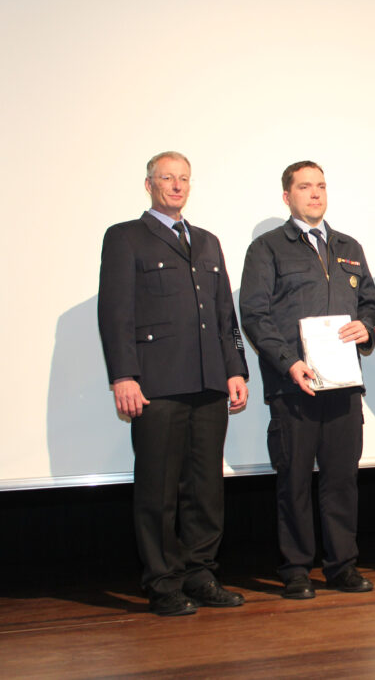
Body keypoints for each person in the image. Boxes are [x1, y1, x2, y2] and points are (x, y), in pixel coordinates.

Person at [98, 151, 249, 616]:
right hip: (158, 384)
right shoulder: (126, 237)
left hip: (209, 383)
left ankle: (200, 574)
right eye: (167, 178)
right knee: (158, 490)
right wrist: (123, 375)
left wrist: (235, 368)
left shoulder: (207, 241)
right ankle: (163, 583)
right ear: (150, 185)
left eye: (183, 178)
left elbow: (225, 317)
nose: (177, 186)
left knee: (205, 489)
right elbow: (115, 313)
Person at [239, 161, 375, 599]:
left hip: (343, 385)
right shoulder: (267, 248)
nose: (315, 194)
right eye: (304, 187)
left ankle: (342, 566)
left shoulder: (348, 246)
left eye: (320, 186)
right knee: (295, 481)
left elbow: (371, 303)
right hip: (294, 385)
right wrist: (288, 363)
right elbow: (255, 315)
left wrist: (366, 327)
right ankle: (297, 569)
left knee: (342, 481)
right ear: (287, 196)